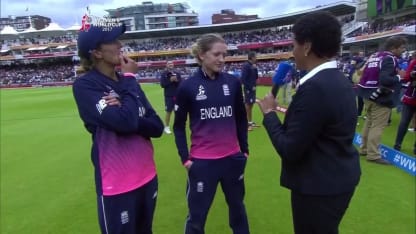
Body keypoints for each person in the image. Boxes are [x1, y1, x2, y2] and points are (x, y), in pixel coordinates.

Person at [256, 11, 361, 234]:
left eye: (294, 44)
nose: (292, 52)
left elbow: (289, 149)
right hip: (336, 178)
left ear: (306, 46)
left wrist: (269, 114)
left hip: (319, 186)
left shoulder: (315, 87)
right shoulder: (337, 79)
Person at [72, 24, 164, 234]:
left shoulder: (127, 83)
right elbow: (126, 123)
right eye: (112, 42)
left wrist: (124, 109)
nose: (120, 45)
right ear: (96, 52)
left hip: (147, 176)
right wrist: (130, 91)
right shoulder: (86, 85)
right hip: (117, 184)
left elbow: (157, 127)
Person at [173, 33, 250, 234]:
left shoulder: (233, 83)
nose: (222, 60)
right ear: (201, 55)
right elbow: (179, 127)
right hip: (202, 163)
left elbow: (241, 118)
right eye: (217, 54)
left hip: (233, 159)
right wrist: (185, 159)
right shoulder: (187, 87)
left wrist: (245, 150)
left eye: (224, 55)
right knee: (197, 217)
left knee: (238, 210)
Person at [357, 36, 407, 164]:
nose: (403, 50)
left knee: (369, 122)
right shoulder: (390, 59)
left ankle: (364, 149)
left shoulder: (375, 55)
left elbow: (360, 72)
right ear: (393, 48)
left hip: (366, 93)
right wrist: (398, 77)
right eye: (401, 47)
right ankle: (373, 154)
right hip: (381, 96)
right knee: (377, 125)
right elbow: (385, 80)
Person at [394, 51, 416, 153]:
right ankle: (397, 144)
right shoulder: (414, 62)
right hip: (410, 97)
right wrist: (412, 74)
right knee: (404, 122)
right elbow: (406, 78)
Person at [160, 60, 182, 134]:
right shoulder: (164, 74)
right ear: (166, 65)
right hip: (169, 96)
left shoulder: (177, 73)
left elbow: (181, 84)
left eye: (171, 63)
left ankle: (177, 126)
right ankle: (166, 127)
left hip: (178, 95)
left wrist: (176, 81)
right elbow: (162, 85)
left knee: (178, 112)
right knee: (168, 112)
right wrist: (170, 80)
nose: (170, 64)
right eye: (169, 63)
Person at [241, 51, 259, 131]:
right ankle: (245, 123)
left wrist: (255, 69)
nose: (257, 58)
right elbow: (243, 79)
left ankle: (250, 122)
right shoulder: (246, 66)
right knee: (248, 106)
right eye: (256, 56)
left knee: (251, 106)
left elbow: (256, 77)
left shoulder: (252, 66)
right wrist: (250, 87)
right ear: (251, 57)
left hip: (253, 89)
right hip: (249, 89)